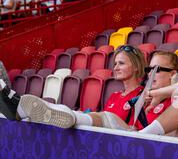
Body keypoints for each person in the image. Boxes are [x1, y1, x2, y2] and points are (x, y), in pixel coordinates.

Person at [0, 45, 147, 129]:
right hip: (106, 137)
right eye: (115, 63)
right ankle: (23, 109)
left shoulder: (144, 95)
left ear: (136, 67)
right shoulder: (115, 95)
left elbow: (141, 130)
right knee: (84, 114)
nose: (115, 67)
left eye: (121, 63)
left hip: (126, 139)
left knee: (103, 116)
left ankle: (21, 106)